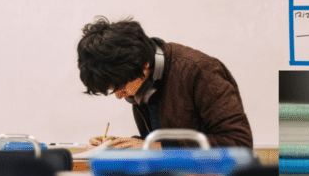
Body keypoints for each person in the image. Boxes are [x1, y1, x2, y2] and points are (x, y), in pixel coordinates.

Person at [76, 17, 253, 149]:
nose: (119, 96)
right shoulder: (143, 83)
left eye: (120, 88)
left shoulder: (200, 70)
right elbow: (165, 140)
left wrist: (155, 148)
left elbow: (239, 143)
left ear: (144, 65)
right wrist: (117, 146)